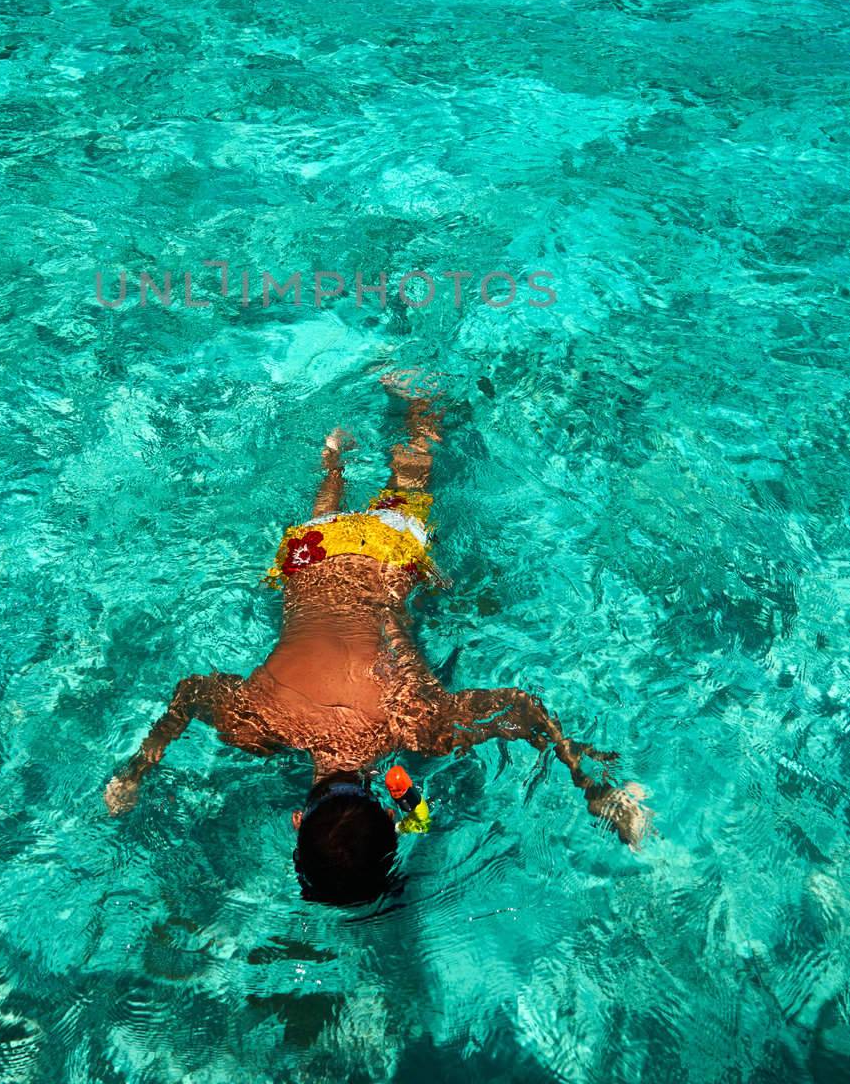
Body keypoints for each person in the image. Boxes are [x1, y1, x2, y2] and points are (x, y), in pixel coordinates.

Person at [104, 375, 649, 905]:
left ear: (390, 813)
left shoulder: (415, 722)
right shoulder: (258, 724)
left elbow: (523, 709)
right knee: (330, 508)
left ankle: (417, 409)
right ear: (298, 821)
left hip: (389, 555)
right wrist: (137, 769)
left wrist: (593, 786)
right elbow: (193, 692)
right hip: (310, 552)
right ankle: (334, 459)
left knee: (412, 473)